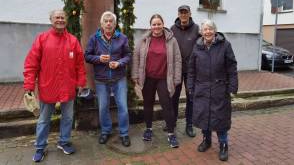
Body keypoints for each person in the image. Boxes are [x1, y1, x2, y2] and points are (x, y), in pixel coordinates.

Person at [23, 9, 86, 162]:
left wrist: (81, 83)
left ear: (66, 20)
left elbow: (80, 65)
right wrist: (29, 86)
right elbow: (31, 64)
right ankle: (40, 147)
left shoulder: (73, 41)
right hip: (48, 87)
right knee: (44, 119)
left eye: (62, 17)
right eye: (57, 17)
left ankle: (64, 142)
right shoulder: (42, 39)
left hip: (68, 88)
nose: (60, 20)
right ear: (51, 20)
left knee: (68, 117)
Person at [187, 19, 238, 161]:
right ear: (201, 32)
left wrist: (233, 86)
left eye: (210, 29)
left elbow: (232, 67)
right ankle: (206, 140)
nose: (208, 31)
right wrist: (190, 86)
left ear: (215, 31)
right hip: (202, 89)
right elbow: (191, 69)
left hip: (219, 89)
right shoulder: (197, 47)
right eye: (205, 29)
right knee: (204, 117)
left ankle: (223, 145)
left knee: (220, 119)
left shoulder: (225, 45)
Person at [132, 14, 182, 148]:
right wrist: (135, 75)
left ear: (163, 24)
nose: (156, 27)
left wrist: (177, 78)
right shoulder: (144, 39)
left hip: (164, 78)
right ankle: (148, 129)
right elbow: (136, 57)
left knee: (167, 105)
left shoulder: (171, 40)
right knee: (148, 104)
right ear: (151, 26)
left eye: (159, 24)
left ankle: (171, 133)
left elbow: (177, 59)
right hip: (148, 78)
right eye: (154, 24)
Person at [84, 11, 131, 147]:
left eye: (111, 21)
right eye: (106, 21)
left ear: (115, 24)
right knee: (103, 107)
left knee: (123, 107)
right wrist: (98, 58)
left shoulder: (122, 38)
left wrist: (119, 63)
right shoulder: (94, 38)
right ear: (101, 24)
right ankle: (105, 131)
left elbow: (128, 55)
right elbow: (87, 56)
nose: (108, 23)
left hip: (119, 78)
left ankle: (124, 133)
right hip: (101, 79)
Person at [170, 5, 199, 137]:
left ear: (189, 14)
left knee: (191, 98)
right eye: (181, 12)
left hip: (191, 70)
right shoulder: (172, 29)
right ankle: (172, 122)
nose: (183, 15)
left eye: (185, 12)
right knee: (174, 97)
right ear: (178, 14)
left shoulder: (196, 29)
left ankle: (189, 124)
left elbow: (200, 46)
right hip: (176, 69)